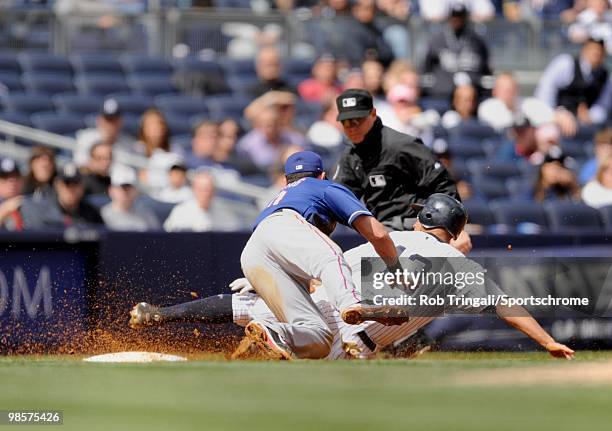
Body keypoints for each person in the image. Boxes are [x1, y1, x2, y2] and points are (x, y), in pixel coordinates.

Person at [129, 194, 574, 361]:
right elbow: (507, 307)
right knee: (313, 350)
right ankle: (280, 336)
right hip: (357, 336)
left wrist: (282, 278)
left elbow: (330, 266)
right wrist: (548, 341)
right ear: (458, 233)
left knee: (251, 304)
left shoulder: (393, 239)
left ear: (422, 223)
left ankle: (163, 314)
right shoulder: (463, 270)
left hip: (337, 298)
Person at [235, 150, 407, 359]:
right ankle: (352, 303)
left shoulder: (279, 198)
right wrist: (396, 270)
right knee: (332, 256)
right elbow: (378, 234)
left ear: (286, 180)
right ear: (322, 175)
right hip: (286, 226)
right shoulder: (323, 186)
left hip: (253, 251)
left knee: (319, 337)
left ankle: (275, 331)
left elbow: (276, 243)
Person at [332, 88, 472, 253]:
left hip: (419, 226)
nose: (352, 128)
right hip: (383, 230)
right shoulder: (351, 156)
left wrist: (455, 228)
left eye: (357, 121)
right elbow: (340, 198)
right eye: (346, 122)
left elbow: (442, 182)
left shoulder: (401, 146)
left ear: (373, 114)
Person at [534, 38, 608, 136]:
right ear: (584, 50)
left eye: (599, 51)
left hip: (586, 126)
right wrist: (557, 115)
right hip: (557, 121)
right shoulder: (565, 64)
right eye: (593, 49)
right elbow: (544, 94)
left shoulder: (605, 76)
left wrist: (590, 116)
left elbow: (603, 107)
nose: (596, 53)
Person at [421, 3, 492, 99]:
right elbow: (426, 69)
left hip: (472, 96)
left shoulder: (477, 41)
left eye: (460, 18)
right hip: (443, 94)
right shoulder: (437, 40)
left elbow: (486, 70)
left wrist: (474, 81)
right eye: (454, 17)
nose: (457, 21)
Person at [19, 163, 104, 230]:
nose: (71, 189)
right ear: (57, 185)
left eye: (75, 184)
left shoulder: (92, 212)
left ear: (83, 186)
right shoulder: (43, 209)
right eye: (66, 184)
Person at [163, 170, 241, 232]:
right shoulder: (180, 211)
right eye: (201, 189)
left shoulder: (224, 211)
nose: (205, 193)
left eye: (208, 189)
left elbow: (233, 231)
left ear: (214, 191)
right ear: (194, 190)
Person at [74, 98, 141, 167]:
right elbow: (80, 165)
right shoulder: (85, 138)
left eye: (114, 120)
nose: (110, 125)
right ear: (99, 120)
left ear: (120, 122)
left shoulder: (129, 145)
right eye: (107, 120)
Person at [101, 166, 160, 232]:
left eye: (129, 188)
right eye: (123, 188)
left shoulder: (145, 212)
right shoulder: (103, 214)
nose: (126, 192)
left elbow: (156, 236)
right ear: (111, 190)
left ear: (136, 190)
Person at [0, 157, 25, 230]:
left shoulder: (30, 201)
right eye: (5, 177)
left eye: (16, 176)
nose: (11, 181)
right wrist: (4, 210)